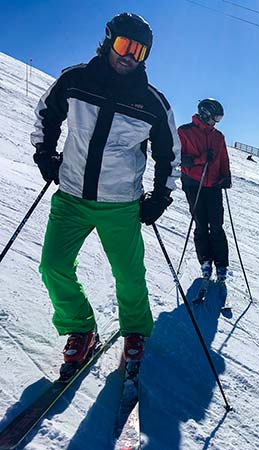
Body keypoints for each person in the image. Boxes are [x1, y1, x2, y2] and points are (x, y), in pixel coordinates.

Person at [31, 13, 180, 368]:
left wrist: (160, 196)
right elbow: (46, 115)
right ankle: (81, 329)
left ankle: (135, 331)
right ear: (109, 40)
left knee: (129, 275)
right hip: (71, 196)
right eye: (124, 45)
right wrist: (45, 153)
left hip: (120, 204)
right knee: (53, 266)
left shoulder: (152, 102)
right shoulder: (75, 80)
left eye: (139, 51)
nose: (129, 56)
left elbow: (168, 153)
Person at [178, 98, 231, 283]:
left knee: (217, 226)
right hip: (194, 184)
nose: (216, 122)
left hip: (214, 185)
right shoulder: (184, 132)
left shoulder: (219, 137)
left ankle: (222, 265)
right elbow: (179, 159)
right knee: (201, 224)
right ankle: (206, 261)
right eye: (215, 117)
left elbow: (223, 159)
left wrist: (226, 176)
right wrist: (201, 159)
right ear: (205, 114)